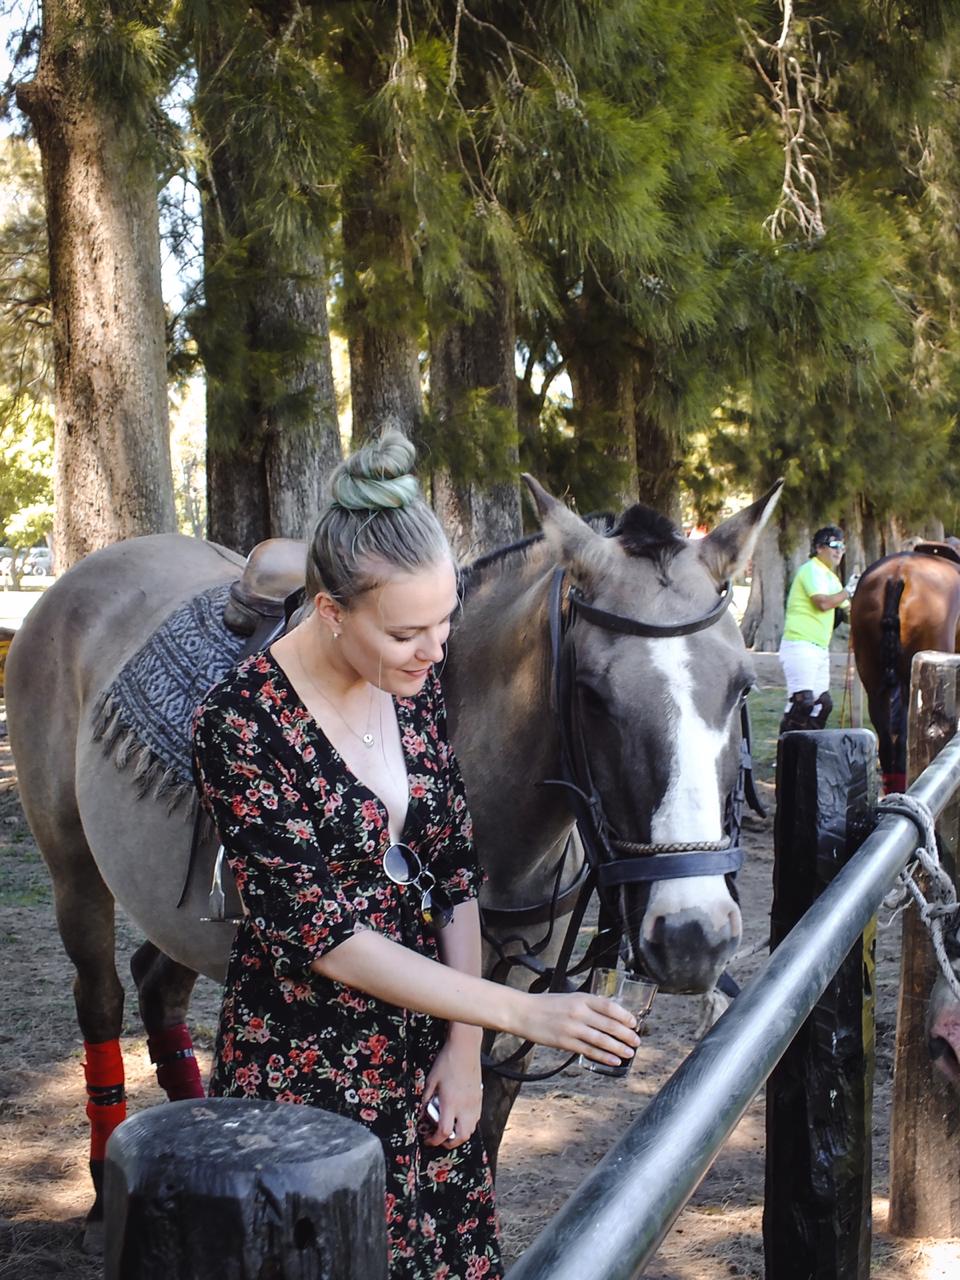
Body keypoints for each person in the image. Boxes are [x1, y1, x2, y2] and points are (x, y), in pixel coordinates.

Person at [191, 431, 639, 1280]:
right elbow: (319, 934)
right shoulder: (239, 725)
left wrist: (464, 1049)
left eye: (445, 622)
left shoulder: (416, 683)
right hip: (308, 1062)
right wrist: (523, 1014)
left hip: (428, 1049)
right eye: (406, 632)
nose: (435, 651)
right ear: (329, 611)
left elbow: (452, 870)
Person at [778, 524, 854, 734]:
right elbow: (822, 602)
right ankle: (786, 757)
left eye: (842, 546)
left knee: (823, 705)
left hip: (820, 648)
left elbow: (848, 613)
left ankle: (808, 753)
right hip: (800, 644)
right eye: (834, 545)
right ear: (819, 548)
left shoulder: (832, 578)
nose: (839, 551)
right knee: (802, 703)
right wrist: (847, 592)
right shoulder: (810, 570)